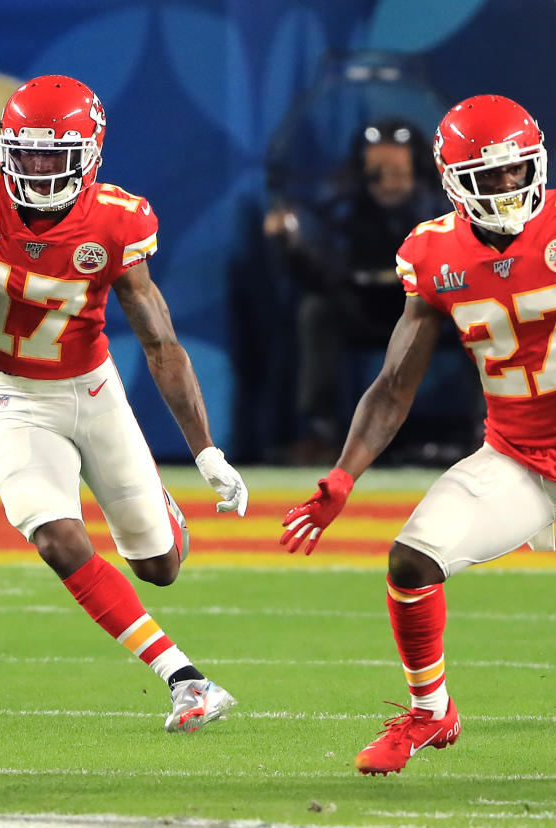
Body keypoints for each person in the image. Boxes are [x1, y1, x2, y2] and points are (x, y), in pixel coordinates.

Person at [0, 74, 248, 732]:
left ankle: (161, 512)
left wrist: (206, 451)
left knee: (159, 567)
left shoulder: (117, 220)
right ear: (6, 149)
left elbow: (161, 344)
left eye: (53, 157)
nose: (36, 172)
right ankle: (185, 678)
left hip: (92, 393)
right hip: (15, 399)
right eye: (26, 155)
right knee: (57, 537)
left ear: (89, 156)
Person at [281, 95, 555, 775]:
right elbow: (395, 383)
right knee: (412, 561)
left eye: (514, 172)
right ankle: (432, 713)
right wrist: (345, 474)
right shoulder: (432, 253)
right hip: (518, 458)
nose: (503, 187)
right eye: (485, 176)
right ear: (453, 179)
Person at [264, 118, 455, 464]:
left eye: (399, 168)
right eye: (378, 170)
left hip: (427, 309)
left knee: (477, 311)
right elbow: (319, 274)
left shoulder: (446, 210)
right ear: (362, 170)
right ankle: (319, 434)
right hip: (360, 307)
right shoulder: (338, 207)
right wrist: (290, 245)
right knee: (316, 312)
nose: (389, 180)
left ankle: (483, 430)